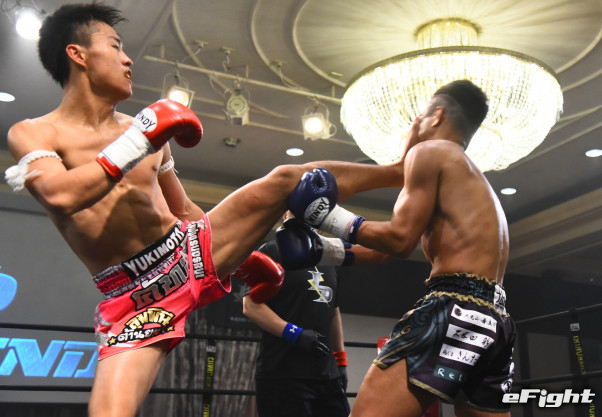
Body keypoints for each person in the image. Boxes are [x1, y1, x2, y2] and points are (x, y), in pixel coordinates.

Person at [4, 3, 407, 416]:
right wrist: (140, 140)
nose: (127, 59)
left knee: (289, 179)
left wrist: (242, 259)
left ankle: (398, 176)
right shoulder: (36, 132)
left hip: (190, 250)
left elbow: (182, 208)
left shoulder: (140, 130)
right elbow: (60, 196)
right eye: (115, 45)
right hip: (136, 298)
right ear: (77, 54)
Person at [284, 80, 516, 416]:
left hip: (453, 307)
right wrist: (324, 250)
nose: (415, 123)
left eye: (420, 115)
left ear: (437, 115)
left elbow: (399, 239)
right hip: (495, 322)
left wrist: (325, 215)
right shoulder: (471, 180)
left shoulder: (431, 152)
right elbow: (387, 250)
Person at [242, 214, 350, 417]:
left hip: (327, 376)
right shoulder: (272, 251)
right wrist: (295, 334)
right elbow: (251, 306)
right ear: (285, 214)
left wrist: (341, 360)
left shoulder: (330, 258)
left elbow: (334, 312)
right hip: (283, 375)